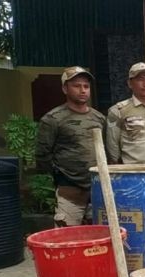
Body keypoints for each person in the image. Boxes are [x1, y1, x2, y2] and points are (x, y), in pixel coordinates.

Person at [35, 66, 106, 227]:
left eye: (86, 86)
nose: (82, 90)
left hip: (97, 189)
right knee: (67, 237)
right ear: (64, 88)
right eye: (76, 86)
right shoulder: (53, 119)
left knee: (100, 237)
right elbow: (42, 154)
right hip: (69, 190)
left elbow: (106, 151)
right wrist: (59, 177)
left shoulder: (99, 118)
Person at [106, 62, 145, 165]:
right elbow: (113, 149)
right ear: (130, 83)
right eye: (140, 79)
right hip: (134, 172)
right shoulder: (118, 110)